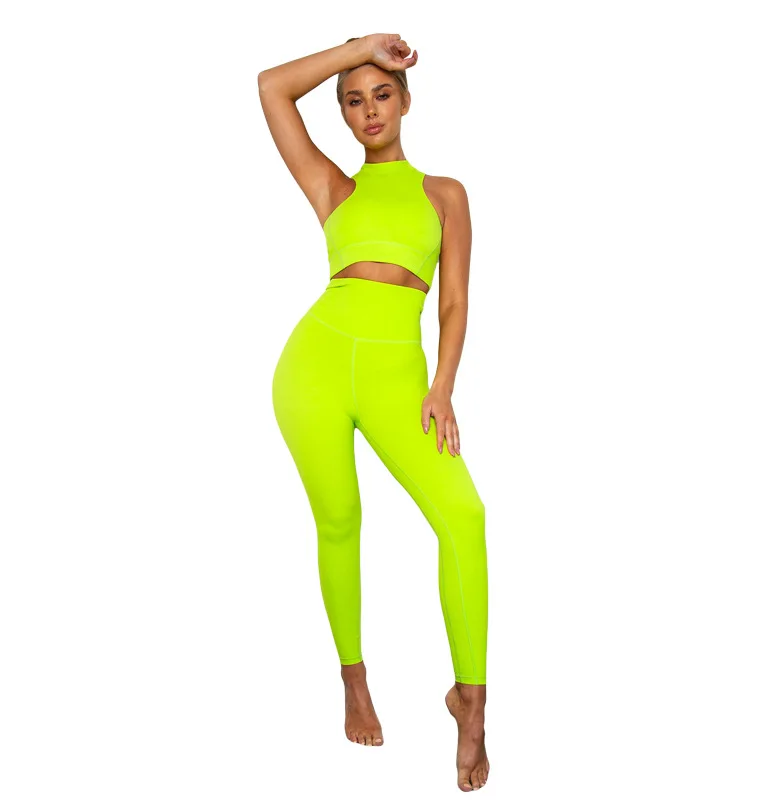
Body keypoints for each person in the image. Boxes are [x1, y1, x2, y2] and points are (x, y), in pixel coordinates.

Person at [258, 33, 489, 792]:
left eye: (381, 95)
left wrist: (442, 387)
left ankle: (471, 702)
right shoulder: (334, 188)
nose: (369, 111)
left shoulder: (444, 194)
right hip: (315, 366)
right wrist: (358, 48)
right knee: (340, 521)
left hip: (399, 377)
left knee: (463, 516)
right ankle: (354, 681)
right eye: (353, 102)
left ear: (406, 101)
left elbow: (453, 303)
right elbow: (271, 86)